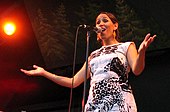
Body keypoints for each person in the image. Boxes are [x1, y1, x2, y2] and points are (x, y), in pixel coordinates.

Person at [20, 12, 156, 112]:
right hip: (94, 105)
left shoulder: (126, 46)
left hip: (118, 102)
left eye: (105, 20)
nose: (100, 24)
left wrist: (142, 51)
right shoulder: (93, 55)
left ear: (115, 26)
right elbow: (73, 82)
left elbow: (137, 70)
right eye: (97, 22)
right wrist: (44, 73)